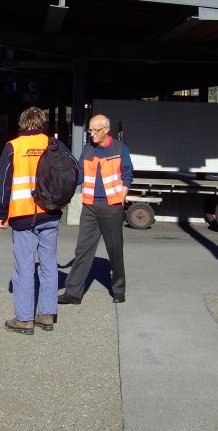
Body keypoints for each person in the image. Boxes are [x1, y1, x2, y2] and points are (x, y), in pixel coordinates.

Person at [0, 106, 62, 335]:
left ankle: (24, 319)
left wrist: (2, 214)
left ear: (22, 123)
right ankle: (46, 315)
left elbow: (3, 183)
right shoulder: (53, 144)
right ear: (41, 122)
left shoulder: (13, 147)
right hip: (50, 213)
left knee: (24, 267)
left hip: (23, 216)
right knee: (49, 265)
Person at [58, 114, 133, 305]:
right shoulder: (88, 150)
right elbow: (80, 175)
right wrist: (63, 185)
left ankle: (118, 289)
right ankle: (73, 293)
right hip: (90, 206)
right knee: (82, 249)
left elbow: (127, 175)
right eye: (90, 130)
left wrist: (120, 199)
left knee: (114, 249)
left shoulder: (119, 148)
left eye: (95, 130)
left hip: (112, 206)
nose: (91, 134)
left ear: (106, 130)